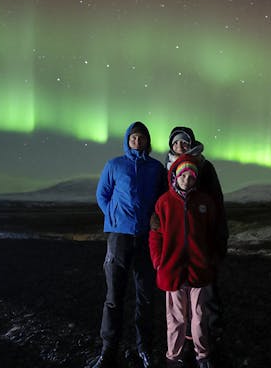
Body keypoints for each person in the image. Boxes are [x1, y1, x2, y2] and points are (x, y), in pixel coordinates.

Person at [91, 121, 167, 368]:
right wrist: (114, 217)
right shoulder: (114, 165)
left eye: (142, 137)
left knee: (145, 297)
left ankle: (144, 348)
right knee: (114, 296)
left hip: (146, 237)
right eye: (133, 137)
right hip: (119, 237)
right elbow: (102, 195)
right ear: (127, 140)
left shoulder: (156, 168)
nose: (138, 141)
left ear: (147, 141)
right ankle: (108, 350)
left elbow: (163, 199)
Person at [149, 155, 223, 368]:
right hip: (172, 269)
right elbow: (156, 236)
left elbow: (211, 233)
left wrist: (210, 258)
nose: (187, 180)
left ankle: (203, 354)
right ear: (175, 176)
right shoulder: (164, 202)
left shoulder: (204, 202)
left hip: (198, 270)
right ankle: (174, 356)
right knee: (175, 318)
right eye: (183, 175)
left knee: (199, 317)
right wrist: (158, 262)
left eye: (191, 176)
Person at [164, 127, 228, 345]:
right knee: (180, 290)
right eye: (176, 143)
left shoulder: (204, 167)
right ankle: (185, 338)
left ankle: (210, 335)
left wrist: (220, 241)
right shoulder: (167, 168)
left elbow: (217, 203)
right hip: (178, 242)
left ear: (190, 143)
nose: (180, 147)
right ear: (171, 146)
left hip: (202, 239)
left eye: (184, 143)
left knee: (206, 289)